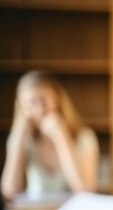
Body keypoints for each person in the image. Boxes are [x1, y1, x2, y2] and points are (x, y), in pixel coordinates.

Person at [1, 71, 99, 201]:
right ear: (22, 107)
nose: (40, 109)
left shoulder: (85, 137)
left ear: (57, 99)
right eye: (32, 103)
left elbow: (85, 191)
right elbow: (9, 192)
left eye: (44, 100)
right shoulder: (22, 139)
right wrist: (18, 140)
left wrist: (62, 138)